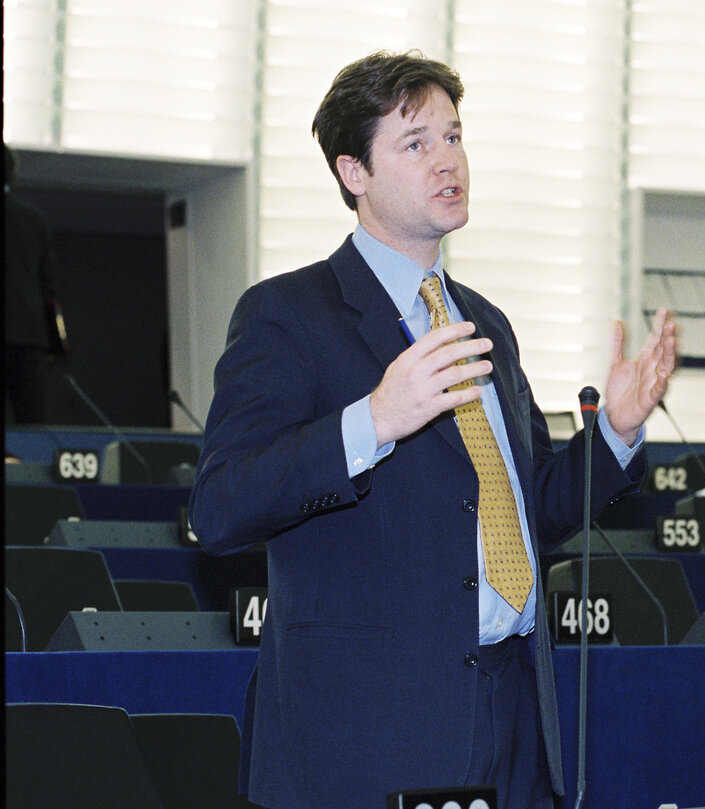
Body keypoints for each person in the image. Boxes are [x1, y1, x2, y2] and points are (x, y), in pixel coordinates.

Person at [188, 50, 677, 809]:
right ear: (354, 173)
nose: (448, 160)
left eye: (454, 137)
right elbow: (220, 506)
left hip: (514, 708)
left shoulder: (487, 323)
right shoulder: (288, 314)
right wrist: (373, 419)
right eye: (416, 144)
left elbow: (529, 510)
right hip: (372, 731)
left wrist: (612, 433)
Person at [5, 144, 68, 425]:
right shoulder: (34, 219)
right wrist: (58, 345)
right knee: (31, 423)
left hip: (26, 336)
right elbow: (49, 288)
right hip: (29, 338)